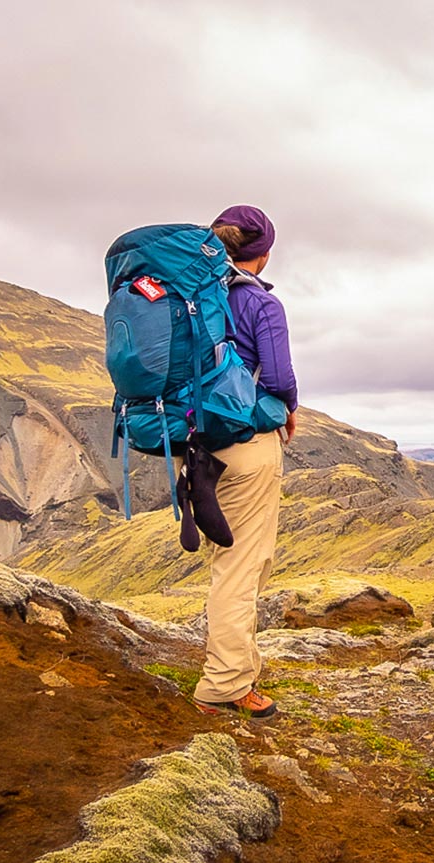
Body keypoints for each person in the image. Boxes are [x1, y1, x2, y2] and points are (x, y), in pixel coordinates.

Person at [191, 204, 298, 718]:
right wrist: (289, 410)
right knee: (241, 567)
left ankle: (238, 663)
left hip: (199, 444)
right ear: (265, 252)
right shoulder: (260, 305)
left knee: (229, 564)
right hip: (247, 445)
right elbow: (277, 378)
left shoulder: (194, 296)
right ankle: (226, 684)